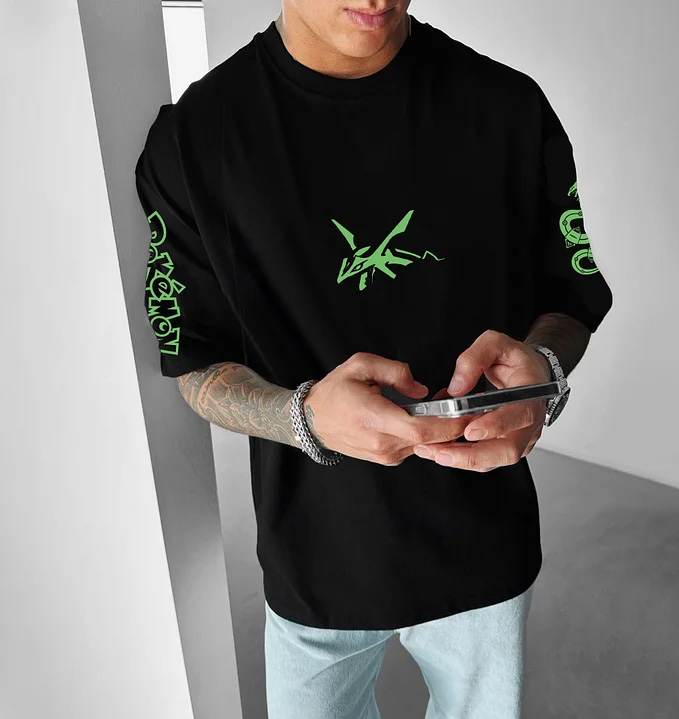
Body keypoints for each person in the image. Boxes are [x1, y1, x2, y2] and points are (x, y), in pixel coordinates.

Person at [135, 1, 613, 717]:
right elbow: (195, 360)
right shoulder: (195, 140)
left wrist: (542, 371)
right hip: (313, 557)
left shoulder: (509, 108)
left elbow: (568, 296)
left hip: (484, 543)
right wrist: (302, 417)